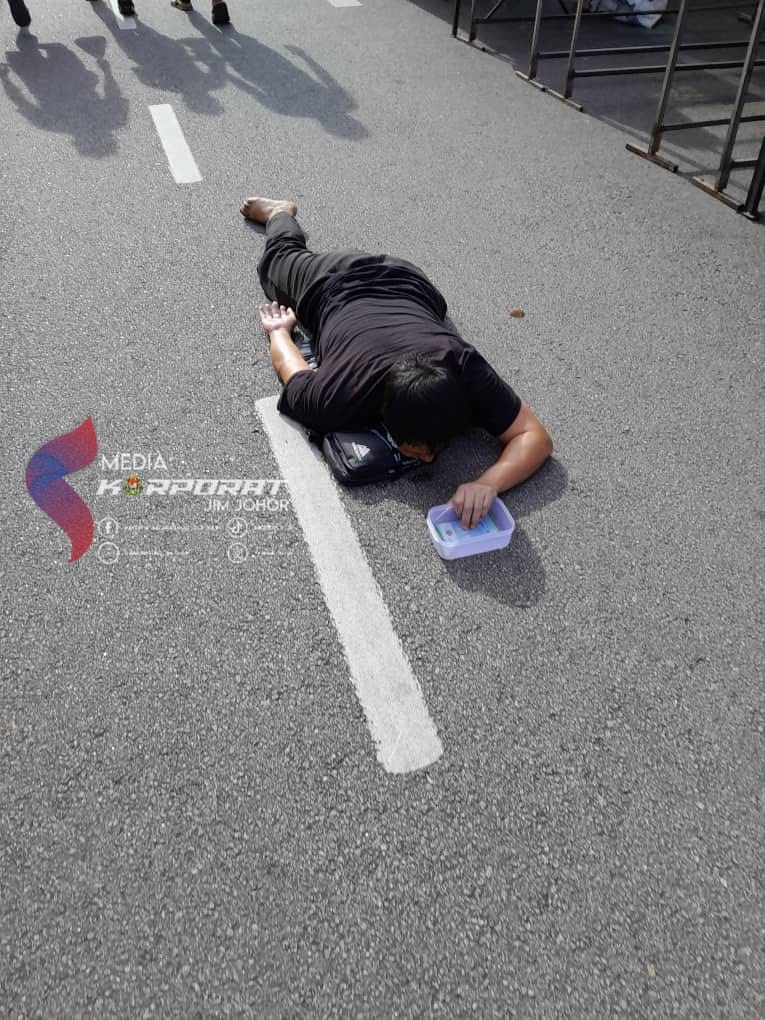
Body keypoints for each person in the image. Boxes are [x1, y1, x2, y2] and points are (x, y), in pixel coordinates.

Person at [240, 197, 553, 530]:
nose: (431, 460)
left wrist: (489, 482)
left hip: (409, 281)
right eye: (419, 452)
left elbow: (535, 437)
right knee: (276, 260)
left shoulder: (465, 370)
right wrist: (278, 333)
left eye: (437, 447)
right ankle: (279, 214)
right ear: (383, 420)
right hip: (329, 283)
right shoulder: (340, 395)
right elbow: (293, 371)